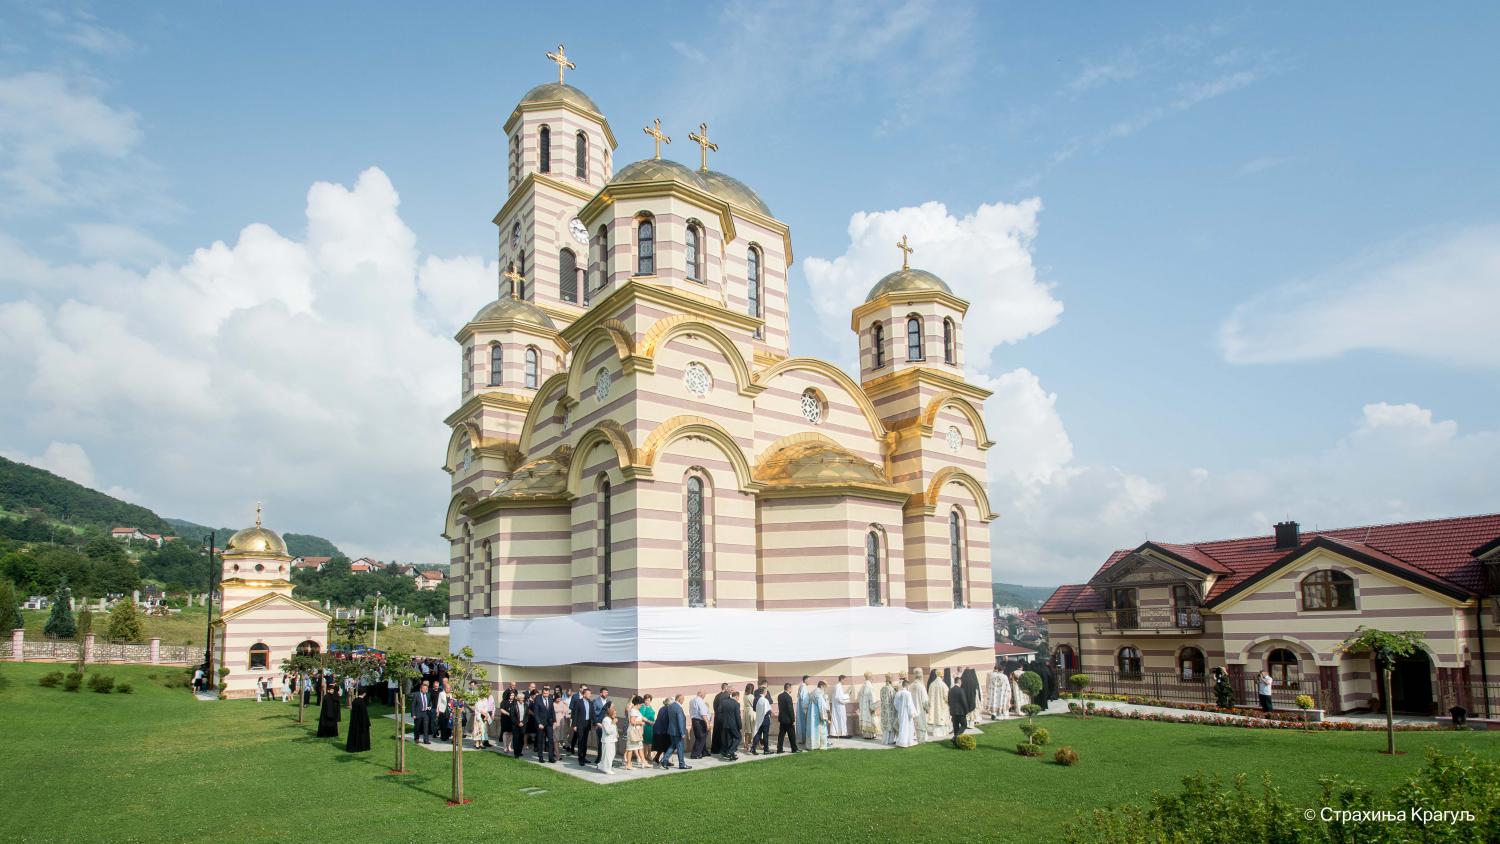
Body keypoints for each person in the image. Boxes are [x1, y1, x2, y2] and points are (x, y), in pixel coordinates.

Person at [715, 689, 743, 761]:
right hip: (733, 725)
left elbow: (719, 711)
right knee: (738, 737)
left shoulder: (724, 702)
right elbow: (738, 716)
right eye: (738, 697)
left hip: (725, 724)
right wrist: (740, 726)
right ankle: (730, 751)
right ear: (736, 696)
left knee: (729, 740)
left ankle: (731, 755)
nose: (738, 699)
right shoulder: (736, 704)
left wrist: (723, 720)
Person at [664, 694, 689, 770]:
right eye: (683, 699)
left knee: (673, 746)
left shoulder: (670, 706)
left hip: (671, 730)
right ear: (679, 699)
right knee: (680, 748)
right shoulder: (678, 708)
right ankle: (682, 764)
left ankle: (664, 760)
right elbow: (680, 721)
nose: (683, 701)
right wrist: (682, 733)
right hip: (678, 732)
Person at [570, 687, 594, 765]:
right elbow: (575, 714)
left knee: (585, 742)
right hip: (580, 724)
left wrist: (596, 723)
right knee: (580, 741)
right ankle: (580, 758)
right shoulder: (578, 702)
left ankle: (584, 757)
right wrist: (574, 725)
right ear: (584, 694)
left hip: (587, 724)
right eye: (588, 694)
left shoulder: (590, 702)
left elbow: (593, 714)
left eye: (590, 694)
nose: (590, 695)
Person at [892, 679, 916, 747]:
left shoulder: (898, 693)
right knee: (907, 727)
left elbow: (895, 703)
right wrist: (911, 713)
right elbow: (909, 704)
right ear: (907, 685)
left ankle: (901, 741)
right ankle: (907, 742)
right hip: (907, 713)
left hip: (901, 712)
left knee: (902, 727)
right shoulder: (908, 693)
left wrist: (900, 709)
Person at [775, 682, 799, 753]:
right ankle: (794, 748)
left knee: (781, 735)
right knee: (792, 735)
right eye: (791, 688)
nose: (791, 690)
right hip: (788, 720)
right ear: (789, 688)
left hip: (782, 719)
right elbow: (790, 709)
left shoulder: (780, 696)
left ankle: (779, 749)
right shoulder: (788, 697)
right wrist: (793, 720)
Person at [597, 702, 619, 774]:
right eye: (614, 713)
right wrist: (613, 723)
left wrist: (616, 733)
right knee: (608, 755)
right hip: (607, 740)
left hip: (612, 740)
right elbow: (608, 731)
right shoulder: (606, 719)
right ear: (609, 711)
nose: (615, 715)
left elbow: (613, 729)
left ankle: (601, 766)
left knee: (610, 754)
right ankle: (607, 769)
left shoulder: (610, 719)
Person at [689, 690, 711, 759]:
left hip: (694, 720)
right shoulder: (700, 701)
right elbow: (703, 713)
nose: (704, 696)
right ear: (701, 694)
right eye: (704, 694)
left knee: (701, 737)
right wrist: (707, 723)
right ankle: (695, 754)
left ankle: (704, 751)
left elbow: (691, 712)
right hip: (700, 721)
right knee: (701, 737)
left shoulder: (692, 701)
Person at [808, 681, 830, 750]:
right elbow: (821, 706)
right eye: (825, 687)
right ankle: (821, 745)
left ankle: (812, 744)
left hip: (812, 715)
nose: (825, 689)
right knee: (821, 729)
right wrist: (825, 717)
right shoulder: (819, 693)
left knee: (813, 730)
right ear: (822, 686)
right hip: (818, 715)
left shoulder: (814, 692)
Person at [652, 698, 674, 767]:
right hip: (663, 730)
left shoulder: (662, 708)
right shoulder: (668, 709)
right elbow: (666, 721)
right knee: (668, 746)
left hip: (658, 730)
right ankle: (664, 761)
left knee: (662, 746)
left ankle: (657, 758)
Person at [857, 672, 879, 740]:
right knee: (871, 720)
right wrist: (876, 704)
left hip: (863, 709)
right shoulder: (870, 687)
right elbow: (872, 699)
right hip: (869, 709)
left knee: (865, 721)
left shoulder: (862, 687)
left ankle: (866, 735)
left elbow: (859, 698)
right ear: (870, 677)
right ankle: (870, 735)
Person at [910, 668, 929, 742]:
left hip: (913, 709)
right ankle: (922, 739)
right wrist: (927, 708)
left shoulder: (911, 685)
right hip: (920, 709)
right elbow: (925, 700)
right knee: (921, 723)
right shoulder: (921, 686)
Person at [947, 680, 969, 747]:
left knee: (955, 727)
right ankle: (955, 737)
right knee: (964, 725)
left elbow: (949, 700)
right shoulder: (961, 690)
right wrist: (966, 710)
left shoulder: (950, 690)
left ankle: (956, 742)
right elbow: (964, 701)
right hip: (961, 712)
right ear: (959, 682)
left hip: (953, 711)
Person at [751, 686, 772, 754]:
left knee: (758, 734)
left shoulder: (755, 699)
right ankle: (766, 750)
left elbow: (754, 709)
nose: (766, 693)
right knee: (765, 735)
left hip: (759, 717)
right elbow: (768, 711)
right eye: (766, 691)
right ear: (764, 692)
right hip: (765, 719)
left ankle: (753, 748)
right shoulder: (765, 700)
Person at [639, 693, 658, 765]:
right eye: (645, 700)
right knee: (646, 742)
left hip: (651, 727)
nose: (647, 701)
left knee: (650, 742)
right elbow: (641, 716)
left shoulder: (650, 706)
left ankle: (648, 755)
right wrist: (649, 721)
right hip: (646, 727)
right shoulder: (643, 707)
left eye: (648, 700)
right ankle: (645, 755)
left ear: (650, 701)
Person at [412, 679, 432, 744]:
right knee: (417, 727)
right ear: (421, 689)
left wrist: (429, 707)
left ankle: (426, 740)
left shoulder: (428, 694)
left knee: (426, 727)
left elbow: (429, 702)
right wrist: (413, 714)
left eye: (426, 689)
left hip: (425, 713)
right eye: (424, 689)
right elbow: (413, 705)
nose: (425, 690)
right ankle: (416, 738)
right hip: (418, 713)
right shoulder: (416, 694)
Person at [880, 674, 897, 745]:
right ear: (891, 680)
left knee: (886, 724)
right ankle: (890, 740)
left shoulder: (882, 688)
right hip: (890, 709)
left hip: (884, 709)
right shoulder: (891, 689)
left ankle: (885, 740)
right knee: (890, 724)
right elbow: (894, 699)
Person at [795, 675, 812, 746]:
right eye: (808, 680)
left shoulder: (801, 686)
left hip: (800, 706)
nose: (809, 681)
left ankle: (801, 738)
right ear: (805, 680)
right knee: (803, 723)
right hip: (803, 708)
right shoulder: (804, 687)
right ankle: (803, 739)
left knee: (801, 723)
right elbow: (804, 699)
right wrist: (807, 708)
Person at [741, 683, 756, 753]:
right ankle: (755, 743)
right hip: (751, 711)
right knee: (753, 728)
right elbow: (754, 705)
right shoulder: (751, 696)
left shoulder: (744, 695)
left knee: (747, 729)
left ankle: (746, 744)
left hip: (746, 712)